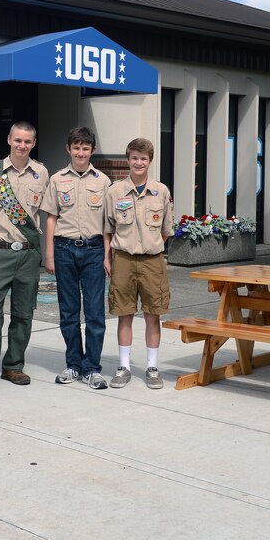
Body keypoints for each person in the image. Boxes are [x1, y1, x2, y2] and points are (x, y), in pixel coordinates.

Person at [0, 121, 50, 392]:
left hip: (28, 254)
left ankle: (13, 366)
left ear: (34, 142)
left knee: (23, 314)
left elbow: (45, 212)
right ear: (9, 140)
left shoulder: (41, 173)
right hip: (0, 252)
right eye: (18, 140)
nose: (22, 145)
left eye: (27, 141)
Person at [42, 127, 112, 390]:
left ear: (92, 150)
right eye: (76, 147)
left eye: (85, 148)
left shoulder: (103, 181)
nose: (80, 152)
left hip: (94, 250)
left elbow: (107, 223)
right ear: (68, 149)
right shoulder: (57, 179)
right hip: (64, 249)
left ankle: (92, 367)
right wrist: (49, 254)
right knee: (69, 311)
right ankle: (73, 364)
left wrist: (107, 255)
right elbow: (51, 217)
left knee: (95, 312)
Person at [104, 137, 174, 389]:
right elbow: (108, 229)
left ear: (150, 161)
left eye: (143, 158)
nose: (138, 162)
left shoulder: (161, 191)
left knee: (153, 314)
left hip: (152, 260)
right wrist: (107, 257)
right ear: (127, 160)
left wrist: (150, 244)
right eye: (134, 158)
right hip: (122, 258)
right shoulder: (114, 191)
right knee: (124, 314)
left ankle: (152, 368)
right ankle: (123, 366)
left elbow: (166, 229)